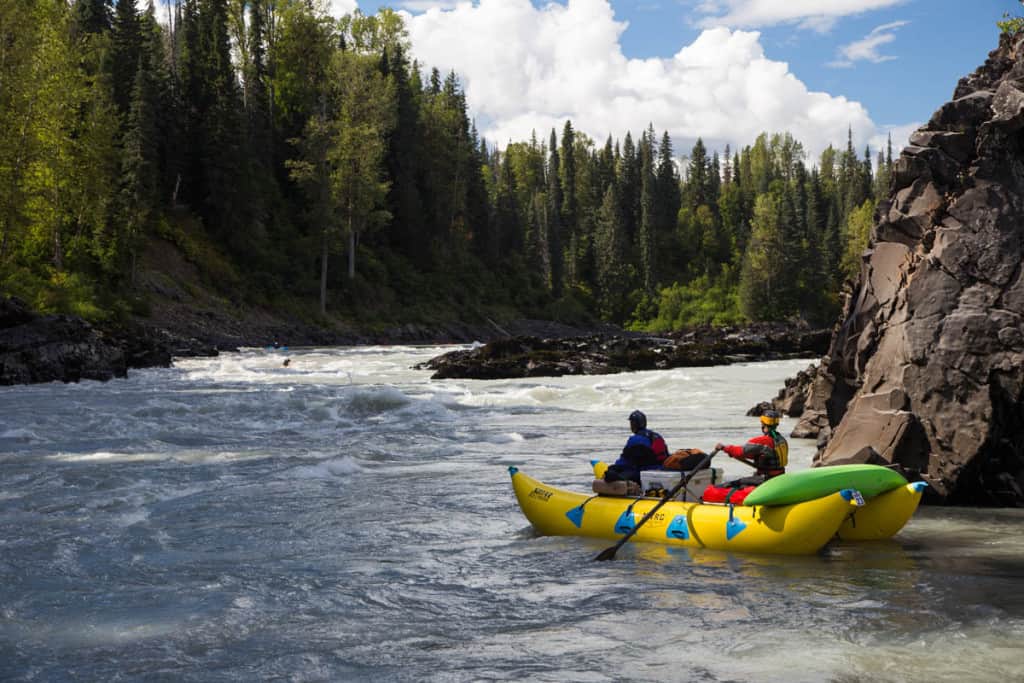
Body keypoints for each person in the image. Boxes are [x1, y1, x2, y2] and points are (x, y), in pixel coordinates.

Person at [593, 410, 669, 496]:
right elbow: (666, 455)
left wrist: (612, 470)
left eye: (631, 423)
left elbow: (625, 461)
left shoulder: (635, 439)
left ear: (634, 424)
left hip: (642, 472)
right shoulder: (657, 436)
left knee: (611, 473)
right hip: (661, 470)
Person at [715, 410, 788, 487]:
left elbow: (740, 451)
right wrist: (732, 453)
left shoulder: (762, 441)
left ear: (763, 424)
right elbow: (761, 454)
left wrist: (724, 448)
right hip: (780, 477)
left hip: (766, 479)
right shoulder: (782, 440)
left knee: (730, 484)